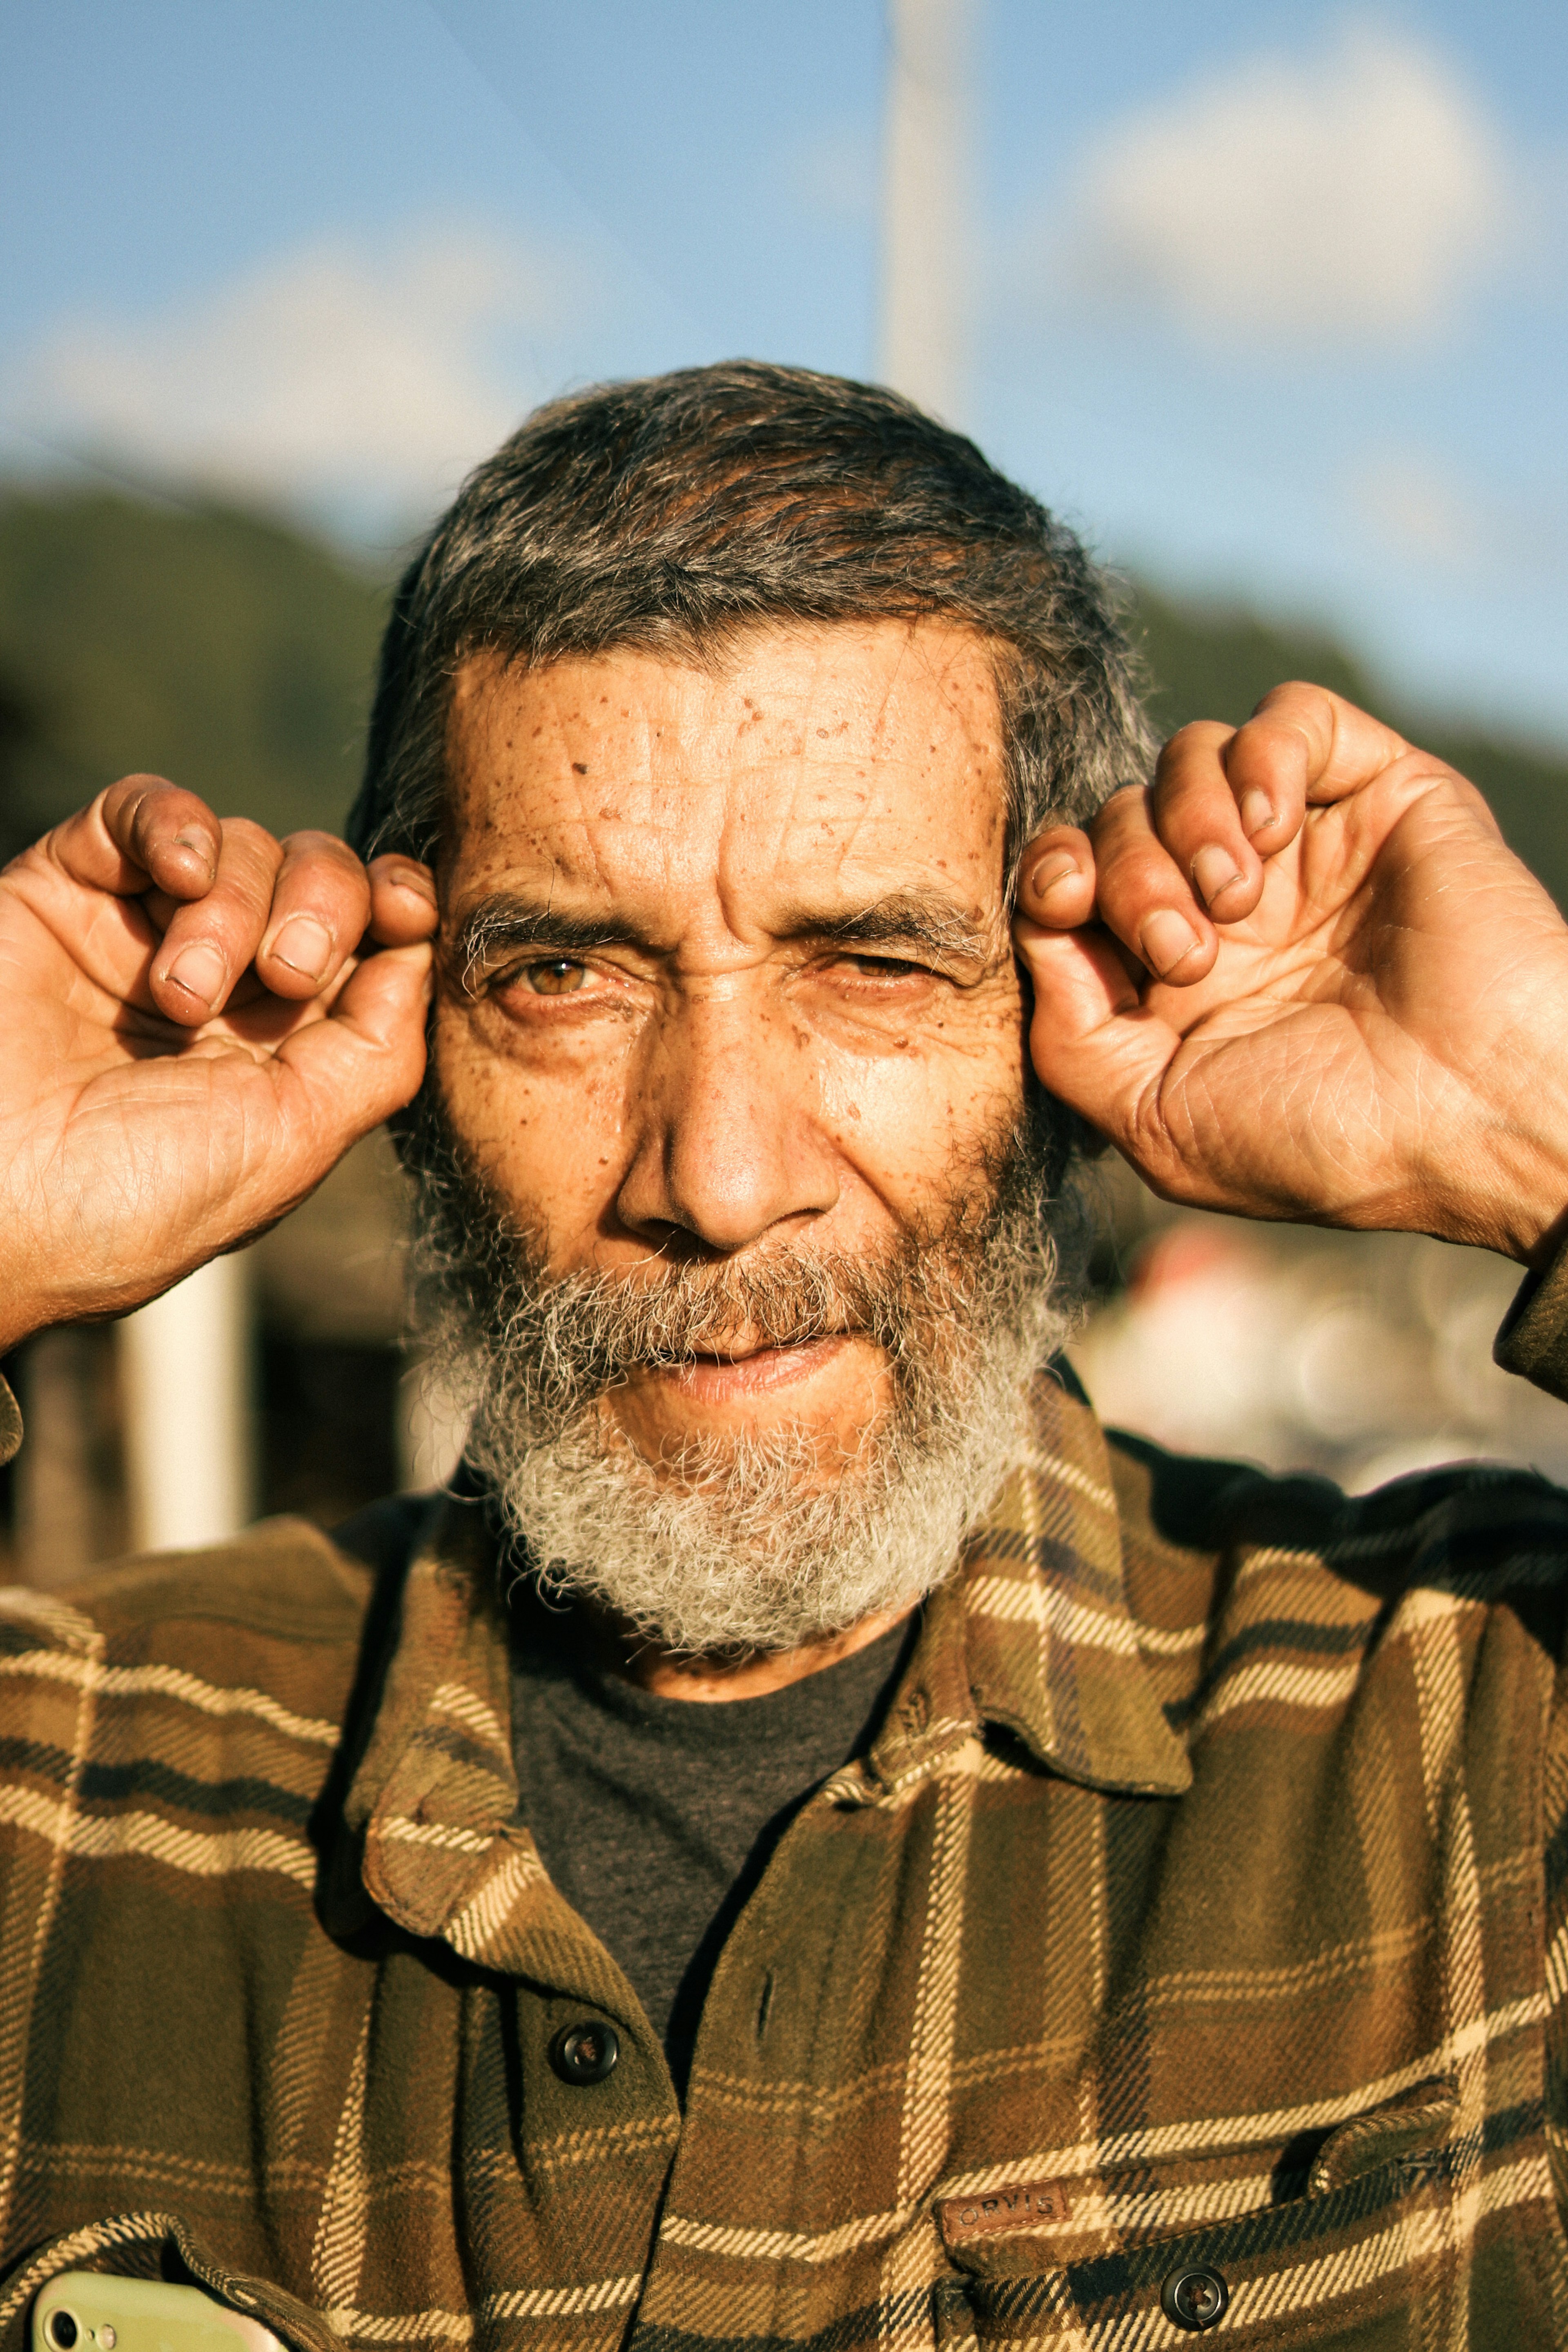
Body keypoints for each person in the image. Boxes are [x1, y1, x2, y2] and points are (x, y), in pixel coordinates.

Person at [0, 363, 1564, 2352]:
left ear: (1067, 1020)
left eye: (875, 963)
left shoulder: (1471, 1736)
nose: (721, 1180)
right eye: (568, 974)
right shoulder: (67, 1801)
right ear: (404, 1051)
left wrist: (1541, 1118)